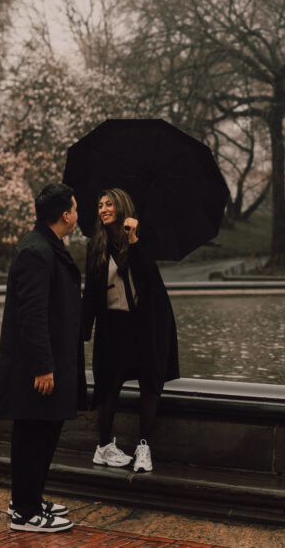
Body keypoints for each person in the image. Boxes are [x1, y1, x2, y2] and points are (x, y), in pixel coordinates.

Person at [0, 183, 86, 533]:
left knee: (42, 432)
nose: (78, 214)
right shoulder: (36, 251)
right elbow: (31, 314)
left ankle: (27, 499)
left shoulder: (46, 245)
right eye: (76, 208)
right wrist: (43, 366)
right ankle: (26, 514)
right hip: (38, 366)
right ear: (65, 215)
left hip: (50, 359)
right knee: (34, 434)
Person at [82, 187, 180, 473]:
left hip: (147, 321)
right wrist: (83, 330)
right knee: (108, 382)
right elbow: (92, 291)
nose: (103, 209)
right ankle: (103, 447)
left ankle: (144, 447)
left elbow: (148, 276)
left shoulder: (141, 237)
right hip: (114, 323)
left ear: (122, 206)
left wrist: (134, 241)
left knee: (150, 382)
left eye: (109, 203)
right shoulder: (96, 244)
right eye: (99, 205)